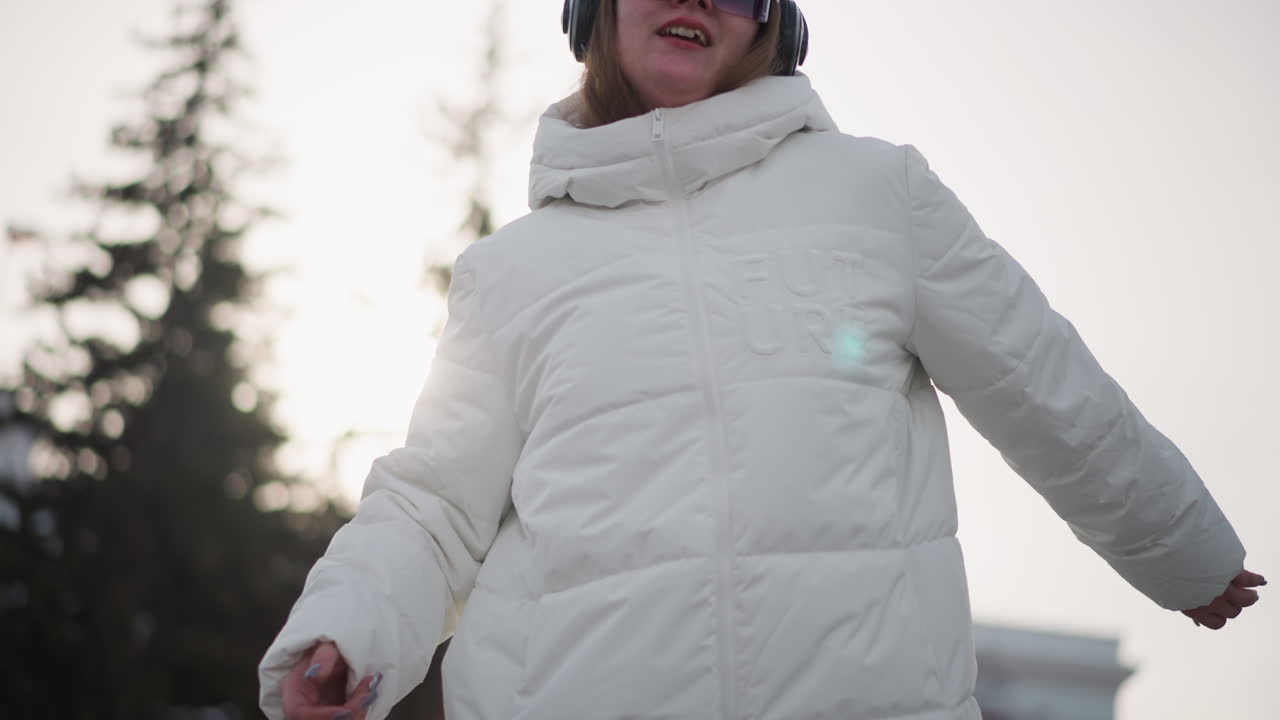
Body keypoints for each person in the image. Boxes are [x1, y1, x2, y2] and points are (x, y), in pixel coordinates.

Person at [258, 1, 1264, 719]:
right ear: (589, 11)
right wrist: (351, 632)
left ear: (772, 24)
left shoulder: (873, 197)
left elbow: (1037, 378)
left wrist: (1176, 544)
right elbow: (434, 505)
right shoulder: (512, 274)